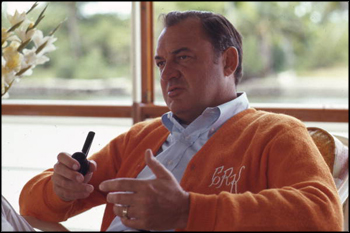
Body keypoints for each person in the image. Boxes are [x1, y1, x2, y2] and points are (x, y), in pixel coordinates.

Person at [18, 10, 343, 231]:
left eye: (183, 57)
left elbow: (322, 215)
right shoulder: (140, 138)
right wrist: (61, 190)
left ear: (228, 61)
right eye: (161, 63)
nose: (167, 73)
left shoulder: (277, 132)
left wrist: (188, 210)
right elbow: (31, 206)